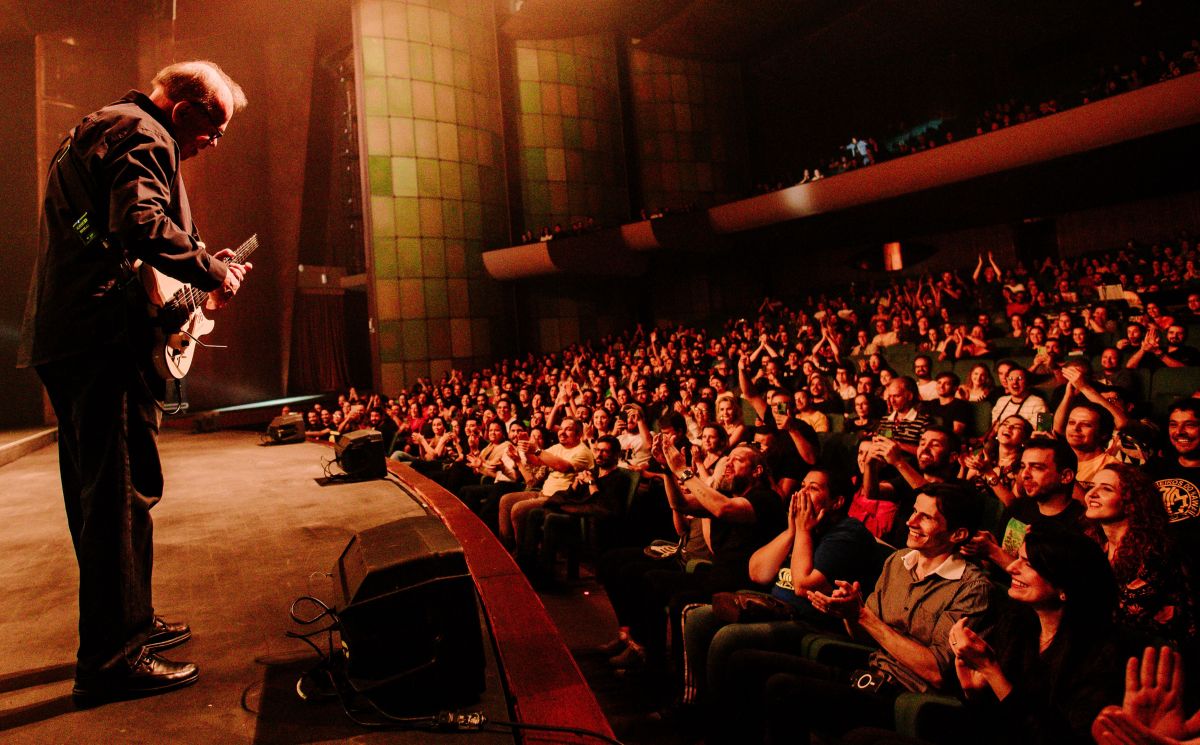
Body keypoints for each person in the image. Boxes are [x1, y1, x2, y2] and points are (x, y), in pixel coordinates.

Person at [18, 61, 251, 703]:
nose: (215, 142)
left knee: (111, 493)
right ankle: (109, 661)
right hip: (99, 342)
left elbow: (100, 234)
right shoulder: (147, 135)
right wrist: (209, 272)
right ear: (185, 109)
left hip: (70, 334)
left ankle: (131, 621)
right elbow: (138, 224)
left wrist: (184, 284)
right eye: (217, 127)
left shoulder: (96, 129)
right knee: (117, 493)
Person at [948, 523, 1124, 744]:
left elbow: (1053, 738)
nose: (1012, 567)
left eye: (1028, 564)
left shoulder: (1100, 654)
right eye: (1018, 558)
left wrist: (991, 670)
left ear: (1064, 588)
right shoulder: (1017, 622)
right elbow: (997, 721)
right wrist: (974, 692)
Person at [1085, 464, 1197, 647]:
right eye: (1092, 486)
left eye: (1106, 489)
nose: (1092, 494)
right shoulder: (1092, 546)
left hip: (1152, 655)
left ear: (1131, 501)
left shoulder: (1156, 554)